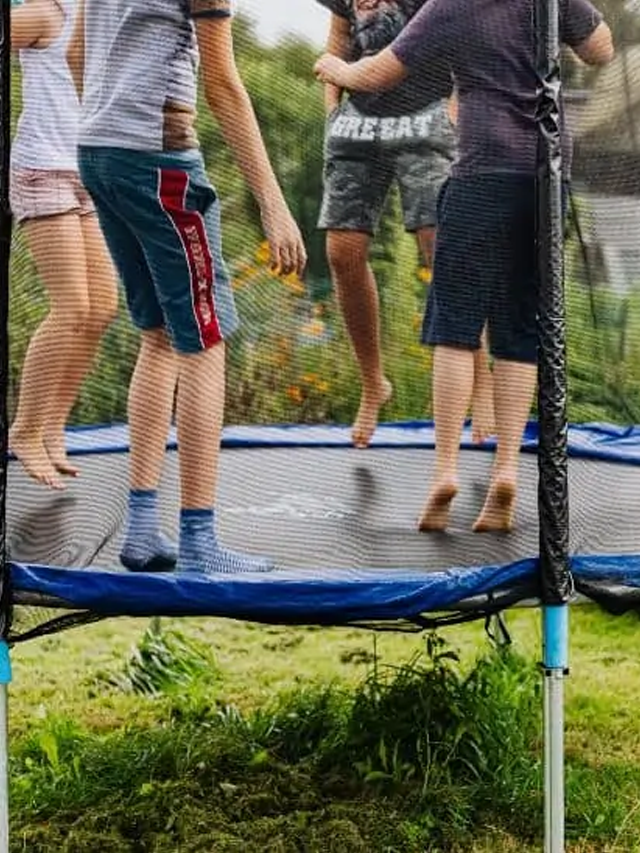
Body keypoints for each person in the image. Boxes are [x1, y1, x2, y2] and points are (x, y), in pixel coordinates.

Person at [315, 0, 613, 531]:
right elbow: (600, 50)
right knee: (520, 328)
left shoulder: (451, 4)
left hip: (481, 171)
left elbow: (379, 73)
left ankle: (446, 470)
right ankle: (505, 473)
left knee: (454, 324)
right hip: (546, 174)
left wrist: (336, 68)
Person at [66, 0, 307, 575]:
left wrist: (110, 120)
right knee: (206, 339)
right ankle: (200, 538)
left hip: (98, 150)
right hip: (158, 161)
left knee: (158, 335)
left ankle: (143, 530)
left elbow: (76, 50)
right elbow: (223, 84)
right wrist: (273, 205)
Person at [316, 0, 494, 449]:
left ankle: (483, 384)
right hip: (359, 123)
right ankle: (374, 383)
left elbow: (464, 37)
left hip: (425, 115)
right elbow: (339, 35)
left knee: (442, 247)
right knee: (342, 252)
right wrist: (332, 110)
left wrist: (454, 111)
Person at [9, 0, 118, 490]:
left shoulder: (100, 13)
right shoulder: (43, 14)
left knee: (102, 308)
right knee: (72, 306)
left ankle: (53, 423)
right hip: (41, 170)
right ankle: (25, 430)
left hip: (85, 171)